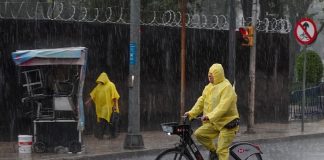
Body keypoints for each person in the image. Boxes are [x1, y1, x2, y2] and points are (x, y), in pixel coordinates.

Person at [184, 63, 240, 160]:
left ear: (218, 75)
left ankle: (218, 153)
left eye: (212, 75)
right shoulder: (209, 87)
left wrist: (209, 116)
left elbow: (223, 107)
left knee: (222, 150)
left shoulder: (227, 87)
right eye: (209, 75)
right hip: (215, 123)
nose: (209, 77)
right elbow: (201, 101)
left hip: (228, 124)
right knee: (199, 134)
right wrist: (191, 113)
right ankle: (213, 151)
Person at [85, 72, 120, 139]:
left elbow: (115, 96)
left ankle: (111, 135)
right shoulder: (98, 86)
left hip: (110, 108)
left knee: (111, 122)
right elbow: (93, 94)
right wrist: (88, 101)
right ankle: (102, 135)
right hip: (101, 109)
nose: (101, 81)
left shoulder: (111, 85)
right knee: (103, 122)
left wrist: (115, 106)